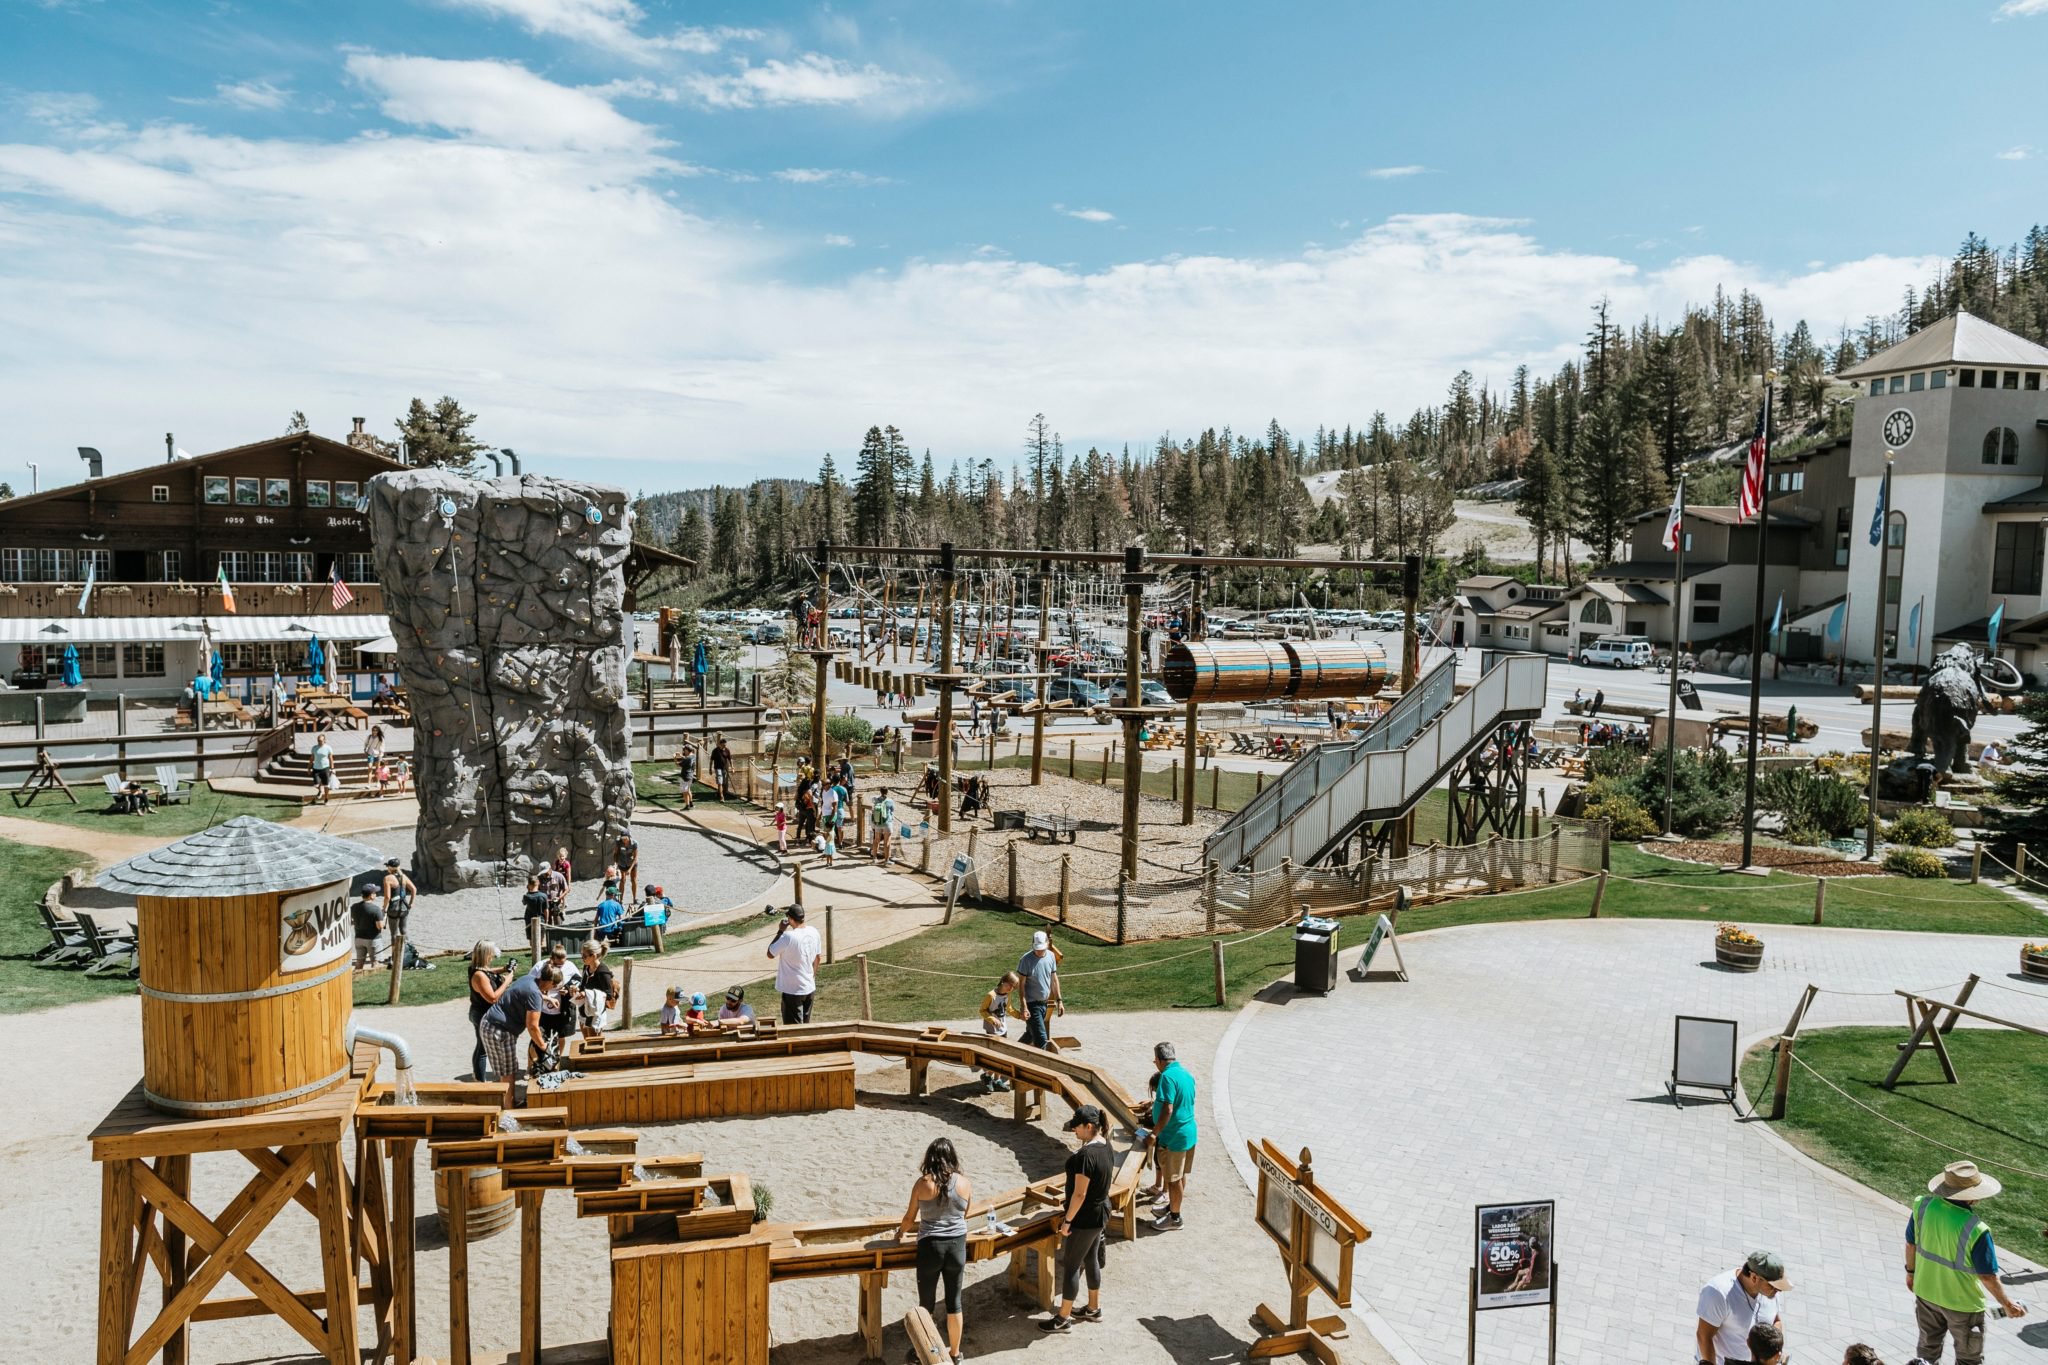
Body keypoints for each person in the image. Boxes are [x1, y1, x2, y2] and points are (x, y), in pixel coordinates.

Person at [1907, 1160, 2025, 1363]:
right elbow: (1987, 1276)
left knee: (1926, 1351)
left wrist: (1911, 1273)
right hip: (1963, 1305)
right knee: (1968, 1359)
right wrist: (2007, 1304)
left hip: (1926, 1293)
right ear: (1974, 1197)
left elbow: (1911, 1245)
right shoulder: (1977, 1229)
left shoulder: (1922, 1206)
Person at [897, 1137, 974, 1363]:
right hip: (957, 1246)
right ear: (952, 1157)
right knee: (954, 1303)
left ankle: (926, 1353)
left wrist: (899, 1233)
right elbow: (966, 1213)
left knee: (926, 1304)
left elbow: (910, 1218)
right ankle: (955, 1354)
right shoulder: (965, 1183)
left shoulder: (923, 1183)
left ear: (930, 1157)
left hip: (931, 1246)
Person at [1041, 1105, 1112, 1332]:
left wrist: (1067, 1222)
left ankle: (1062, 1318)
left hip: (1084, 1219)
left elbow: (1080, 1194)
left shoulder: (1086, 1156)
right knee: (1090, 1259)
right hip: (1100, 1214)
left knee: (1071, 1265)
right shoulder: (1106, 1146)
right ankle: (1093, 1308)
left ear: (1089, 1126)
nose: (1074, 1131)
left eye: (1077, 1127)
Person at [480, 961, 556, 1108]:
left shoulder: (529, 979)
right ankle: (509, 1108)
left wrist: (547, 998)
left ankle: (507, 1102)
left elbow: (524, 993)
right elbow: (532, 1027)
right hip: (500, 1030)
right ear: (550, 982)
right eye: (554, 986)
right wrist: (544, 1046)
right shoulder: (535, 995)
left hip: (489, 1023)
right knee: (508, 1072)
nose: (553, 989)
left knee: (505, 1070)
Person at [1695, 1252, 1790, 1365]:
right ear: (1754, 1277)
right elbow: (1704, 1336)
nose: (1778, 1290)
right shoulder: (1718, 1293)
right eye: (1773, 1286)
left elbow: (1776, 1320)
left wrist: (1775, 1350)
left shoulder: (1770, 1292)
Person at [1146, 1041, 1196, 1231]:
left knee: (1173, 1179)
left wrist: (1154, 1133)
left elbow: (1167, 1108)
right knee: (1181, 1174)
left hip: (1174, 1136)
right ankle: (1171, 1208)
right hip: (1188, 1132)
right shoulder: (1186, 1074)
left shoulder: (1166, 1077)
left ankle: (1175, 1219)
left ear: (1159, 1060)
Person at [766, 904, 823, 1023]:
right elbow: (818, 958)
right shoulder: (814, 931)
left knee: (793, 1030)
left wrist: (780, 930)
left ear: (791, 919)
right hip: (809, 987)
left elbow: (770, 953)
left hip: (793, 991)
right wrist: (811, 977)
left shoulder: (788, 936)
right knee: (805, 1026)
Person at [467, 940, 513, 1080]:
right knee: (483, 1050)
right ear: (486, 954)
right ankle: (480, 1080)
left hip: (479, 1013)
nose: (493, 956)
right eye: (491, 953)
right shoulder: (479, 976)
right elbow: (492, 998)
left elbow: (488, 972)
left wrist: (504, 969)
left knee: (481, 1046)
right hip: (483, 1015)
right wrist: (507, 981)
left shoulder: (476, 968)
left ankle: (478, 1075)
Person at [1016, 930, 1063, 1050]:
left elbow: (1054, 979)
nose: (1039, 951)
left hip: (1044, 1003)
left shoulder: (1051, 956)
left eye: (1041, 948)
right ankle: (1044, 1065)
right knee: (1041, 1038)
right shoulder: (1025, 960)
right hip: (1032, 1004)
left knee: (1031, 1034)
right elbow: (1021, 985)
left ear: (1047, 944)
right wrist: (1024, 1006)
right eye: (1037, 948)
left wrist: (1059, 1001)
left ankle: (1010, 1053)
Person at [979, 971, 1024, 1092]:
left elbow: (1008, 1009)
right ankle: (987, 1076)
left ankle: (997, 1080)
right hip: (992, 1030)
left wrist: (1020, 1016)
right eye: (1009, 985)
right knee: (994, 1057)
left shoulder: (1007, 995)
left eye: (1013, 987)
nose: (1011, 989)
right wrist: (992, 1018)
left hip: (1003, 1029)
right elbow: (982, 1010)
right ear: (1003, 982)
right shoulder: (991, 995)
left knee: (1002, 1056)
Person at [577, 941, 616, 1039]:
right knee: (586, 1039)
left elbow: (609, 995)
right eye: (581, 955)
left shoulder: (602, 971)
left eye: (584, 956)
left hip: (595, 1012)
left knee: (594, 1043)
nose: (582, 958)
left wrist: (586, 994)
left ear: (593, 956)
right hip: (584, 1009)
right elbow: (583, 986)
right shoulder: (586, 967)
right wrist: (576, 990)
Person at [381, 859, 418, 946]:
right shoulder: (404, 877)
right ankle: (408, 952)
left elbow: (387, 897)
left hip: (393, 908)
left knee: (394, 933)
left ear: (390, 868)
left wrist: (384, 908)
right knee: (404, 931)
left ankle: (395, 956)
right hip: (404, 907)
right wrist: (411, 903)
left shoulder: (388, 878)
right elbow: (414, 889)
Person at [351, 884, 384, 970]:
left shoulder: (354, 907)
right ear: (371, 895)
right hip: (373, 939)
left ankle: (356, 980)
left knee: (359, 963)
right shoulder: (376, 909)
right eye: (375, 893)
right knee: (375, 963)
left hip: (358, 938)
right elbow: (380, 926)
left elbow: (351, 921)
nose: (376, 894)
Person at [613, 830, 641, 901]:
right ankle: (620, 900)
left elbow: (635, 858)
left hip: (632, 863)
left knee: (633, 880)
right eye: (623, 838)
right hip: (622, 863)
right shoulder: (619, 842)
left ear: (629, 837)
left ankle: (634, 898)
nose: (624, 840)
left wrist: (630, 869)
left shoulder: (634, 843)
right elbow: (615, 854)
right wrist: (615, 864)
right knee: (622, 880)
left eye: (625, 838)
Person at [309, 734, 334, 803]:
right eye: (318, 741)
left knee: (326, 785)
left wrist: (332, 768)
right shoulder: (314, 748)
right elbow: (312, 758)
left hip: (325, 768)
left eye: (321, 741)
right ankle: (320, 790)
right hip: (316, 768)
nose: (319, 742)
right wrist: (309, 767)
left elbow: (331, 759)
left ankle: (326, 798)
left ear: (324, 740)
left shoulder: (328, 748)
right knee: (316, 784)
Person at [712, 735, 732, 800]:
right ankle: (721, 797)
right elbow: (711, 760)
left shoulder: (727, 750)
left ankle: (718, 792)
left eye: (725, 745)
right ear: (720, 744)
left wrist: (732, 767)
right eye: (723, 745)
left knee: (723, 782)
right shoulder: (715, 750)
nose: (724, 746)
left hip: (724, 768)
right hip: (717, 768)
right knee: (720, 782)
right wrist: (710, 768)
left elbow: (730, 759)